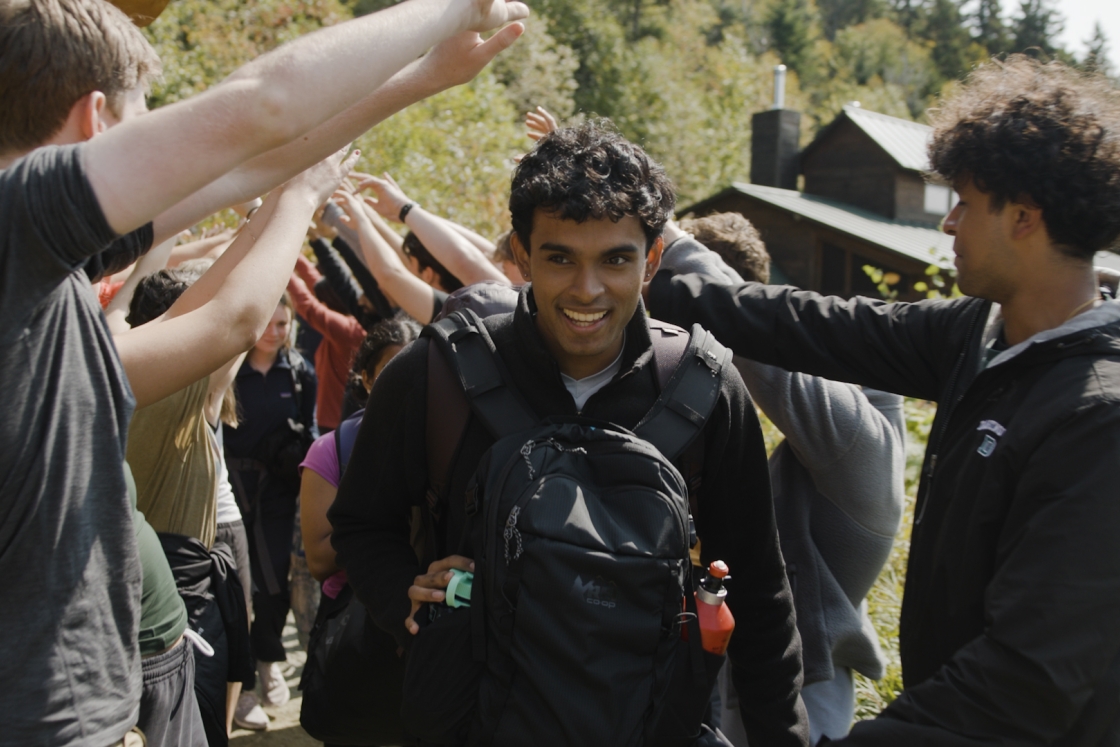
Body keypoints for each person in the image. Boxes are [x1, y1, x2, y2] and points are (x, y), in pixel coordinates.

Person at [0, 0, 526, 740]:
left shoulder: (39, 272)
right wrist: (459, 9)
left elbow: (251, 159)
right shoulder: (20, 227)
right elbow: (258, 112)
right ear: (96, 124)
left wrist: (417, 79)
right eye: (143, 120)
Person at [646, 56, 1120, 743]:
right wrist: (652, 266)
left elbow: (1026, 679)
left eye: (963, 201)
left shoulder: (1095, 416)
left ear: (1024, 216)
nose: (948, 223)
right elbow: (811, 324)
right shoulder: (977, 335)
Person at [329, 121, 809, 745]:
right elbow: (362, 524)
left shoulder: (705, 391)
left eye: (616, 259)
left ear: (653, 259)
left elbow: (760, 591)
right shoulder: (435, 376)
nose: (588, 290)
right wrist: (409, 604)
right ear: (522, 256)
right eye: (560, 258)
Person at [658, 214, 906, 745]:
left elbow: (771, 364)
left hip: (796, 708)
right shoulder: (796, 461)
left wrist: (671, 237)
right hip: (729, 687)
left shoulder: (866, 455)